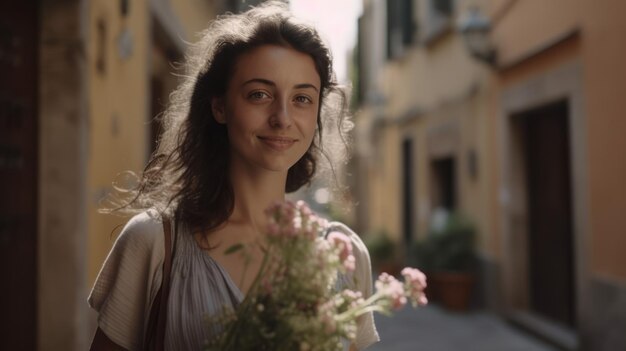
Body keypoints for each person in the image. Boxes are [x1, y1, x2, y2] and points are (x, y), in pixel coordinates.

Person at [89, 2, 380, 350]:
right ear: (220, 106)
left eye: (302, 98)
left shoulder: (342, 254)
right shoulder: (153, 241)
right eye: (260, 94)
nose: (282, 118)